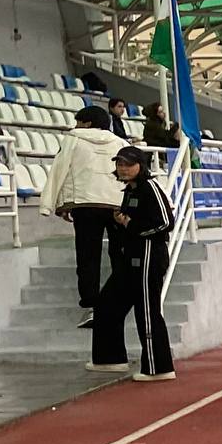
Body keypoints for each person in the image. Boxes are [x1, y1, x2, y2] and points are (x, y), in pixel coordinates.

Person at [39, 106, 127, 330]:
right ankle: (121, 300)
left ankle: (92, 306)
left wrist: (54, 205)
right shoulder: (120, 142)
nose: (75, 125)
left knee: (88, 257)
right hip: (116, 205)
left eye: (78, 121)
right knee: (119, 254)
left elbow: (59, 170)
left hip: (85, 205)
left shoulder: (73, 139)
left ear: (87, 123)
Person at [92, 145, 175, 381]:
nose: (123, 168)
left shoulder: (150, 188)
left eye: (129, 164)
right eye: (120, 164)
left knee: (146, 311)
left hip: (149, 256)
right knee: (107, 303)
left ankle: (159, 368)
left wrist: (131, 225)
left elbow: (165, 222)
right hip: (130, 258)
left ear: (141, 165)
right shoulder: (130, 191)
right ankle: (110, 359)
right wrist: (120, 221)